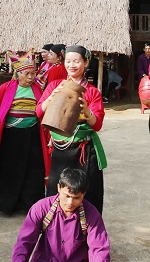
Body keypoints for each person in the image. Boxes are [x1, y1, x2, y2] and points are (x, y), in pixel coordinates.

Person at [6, 168, 111, 262]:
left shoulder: (91, 213)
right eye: (67, 195)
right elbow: (24, 242)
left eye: (76, 198)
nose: (70, 202)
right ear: (59, 188)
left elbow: (99, 248)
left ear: (84, 194)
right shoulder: (41, 208)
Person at [36, 45, 106, 214]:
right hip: (60, 150)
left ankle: (87, 234)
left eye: (77, 61)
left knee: (88, 195)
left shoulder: (92, 92)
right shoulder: (54, 86)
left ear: (86, 62)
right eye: (68, 61)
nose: (72, 65)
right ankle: (56, 231)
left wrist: (87, 112)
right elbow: (38, 112)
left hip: (84, 151)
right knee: (57, 192)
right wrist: (50, 98)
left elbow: (97, 125)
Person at [0, 50, 48, 215]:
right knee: (9, 170)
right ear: (17, 74)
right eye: (27, 73)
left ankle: (31, 204)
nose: (31, 77)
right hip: (10, 137)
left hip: (32, 135)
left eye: (33, 73)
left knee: (33, 170)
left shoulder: (38, 89)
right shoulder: (5, 89)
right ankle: (6, 204)